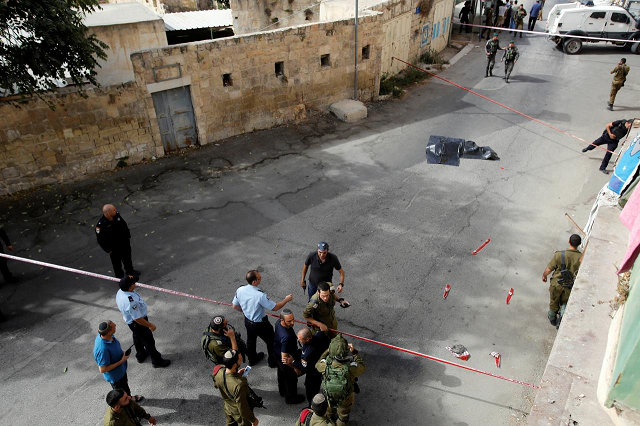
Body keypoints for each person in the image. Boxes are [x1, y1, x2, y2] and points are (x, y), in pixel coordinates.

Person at [233, 269, 293, 367]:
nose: (261, 279)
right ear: (254, 282)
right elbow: (275, 307)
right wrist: (286, 299)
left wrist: (246, 311)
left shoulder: (240, 290)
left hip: (248, 321)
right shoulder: (260, 295)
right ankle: (272, 361)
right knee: (272, 341)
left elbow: (235, 306)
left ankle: (252, 359)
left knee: (251, 340)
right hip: (261, 324)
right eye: (259, 278)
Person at [116, 275, 170, 368]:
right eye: (133, 283)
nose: (135, 284)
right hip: (138, 323)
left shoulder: (121, 292)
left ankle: (141, 355)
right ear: (129, 287)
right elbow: (137, 318)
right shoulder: (130, 301)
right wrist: (150, 325)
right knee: (149, 341)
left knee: (137, 337)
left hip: (132, 324)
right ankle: (156, 360)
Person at [316, 335, 365, 426]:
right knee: (343, 416)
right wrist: (354, 353)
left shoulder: (325, 365)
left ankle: (330, 420)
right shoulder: (351, 367)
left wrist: (327, 350)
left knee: (329, 411)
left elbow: (318, 363)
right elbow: (362, 366)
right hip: (346, 396)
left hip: (329, 394)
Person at [94, 320, 144, 402]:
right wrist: (122, 361)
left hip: (121, 372)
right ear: (109, 332)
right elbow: (102, 369)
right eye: (114, 326)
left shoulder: (106, 335)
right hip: (116, 378)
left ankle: (129, 399)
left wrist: (122, 353)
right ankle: (129, 406)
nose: (116, 324)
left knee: (125, 389)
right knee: (121, 395)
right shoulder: (102, 349)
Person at [542, 234, 583, 326]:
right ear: (579, 244)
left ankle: (552, 318)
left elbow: (549, 269)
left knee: (554, 302)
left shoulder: (559, 255)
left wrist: (544, 275)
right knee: (565, 302)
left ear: (569, 241)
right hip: (569, 286)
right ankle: (562, 317)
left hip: (556, 285)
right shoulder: (581, 258)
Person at [213, 350, 259, 426]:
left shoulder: (218, 371)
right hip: (239, 415)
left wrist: (237, 375)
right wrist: (253, 420)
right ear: (234, 365)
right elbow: (243, 409)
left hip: (228, 408)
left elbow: (216, 385)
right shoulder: (239, 385)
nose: (241, 361)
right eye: (240, 360)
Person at [96, 204, 140, 279]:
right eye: (114, 209)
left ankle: (130, 271)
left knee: (127, 258)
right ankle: (120, 277)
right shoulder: (101, 225)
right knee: (116, 263)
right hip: (114, 248)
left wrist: (127, 237)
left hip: (124, 243)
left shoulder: (117, 215)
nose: (116, 210)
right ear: (108, 213)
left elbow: (124, 225)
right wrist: (108, 250)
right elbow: (100, 240)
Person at [274, 309, 306, 404]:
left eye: (293, 319)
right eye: (289, 321)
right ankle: (291, 398)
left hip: (276, 353)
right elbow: (285, 358)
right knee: (290, 379)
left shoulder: (277, 323)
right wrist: (294, 366)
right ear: (282, 320)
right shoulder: (286, 337)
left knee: (281, 374)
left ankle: (283, 391)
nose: (292, 322)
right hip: (286, 359)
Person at [297, 328, 330, 407]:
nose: (299, 340)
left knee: (311, 389)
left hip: (313, 372)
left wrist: (292, 362)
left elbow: (303, 368)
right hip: (323, 363)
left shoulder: (308, 353)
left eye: (300, 340)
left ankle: (312, 406)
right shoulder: (320, 335)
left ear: (308, 339)